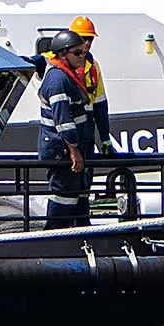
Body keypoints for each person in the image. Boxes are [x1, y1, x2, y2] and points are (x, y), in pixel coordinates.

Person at [37, 16, 110, 225]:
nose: (84, 51)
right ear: (63, 53)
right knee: (63, 198)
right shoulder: (58, 79)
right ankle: (57, 240)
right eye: (78, 50)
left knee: (79, 197)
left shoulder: (85, 69)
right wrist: (74, 151)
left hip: (81, 143)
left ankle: (79, 235)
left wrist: (103, 139)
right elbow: (63, 121)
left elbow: (99, 105)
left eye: (89, 43)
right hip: (64, 150)